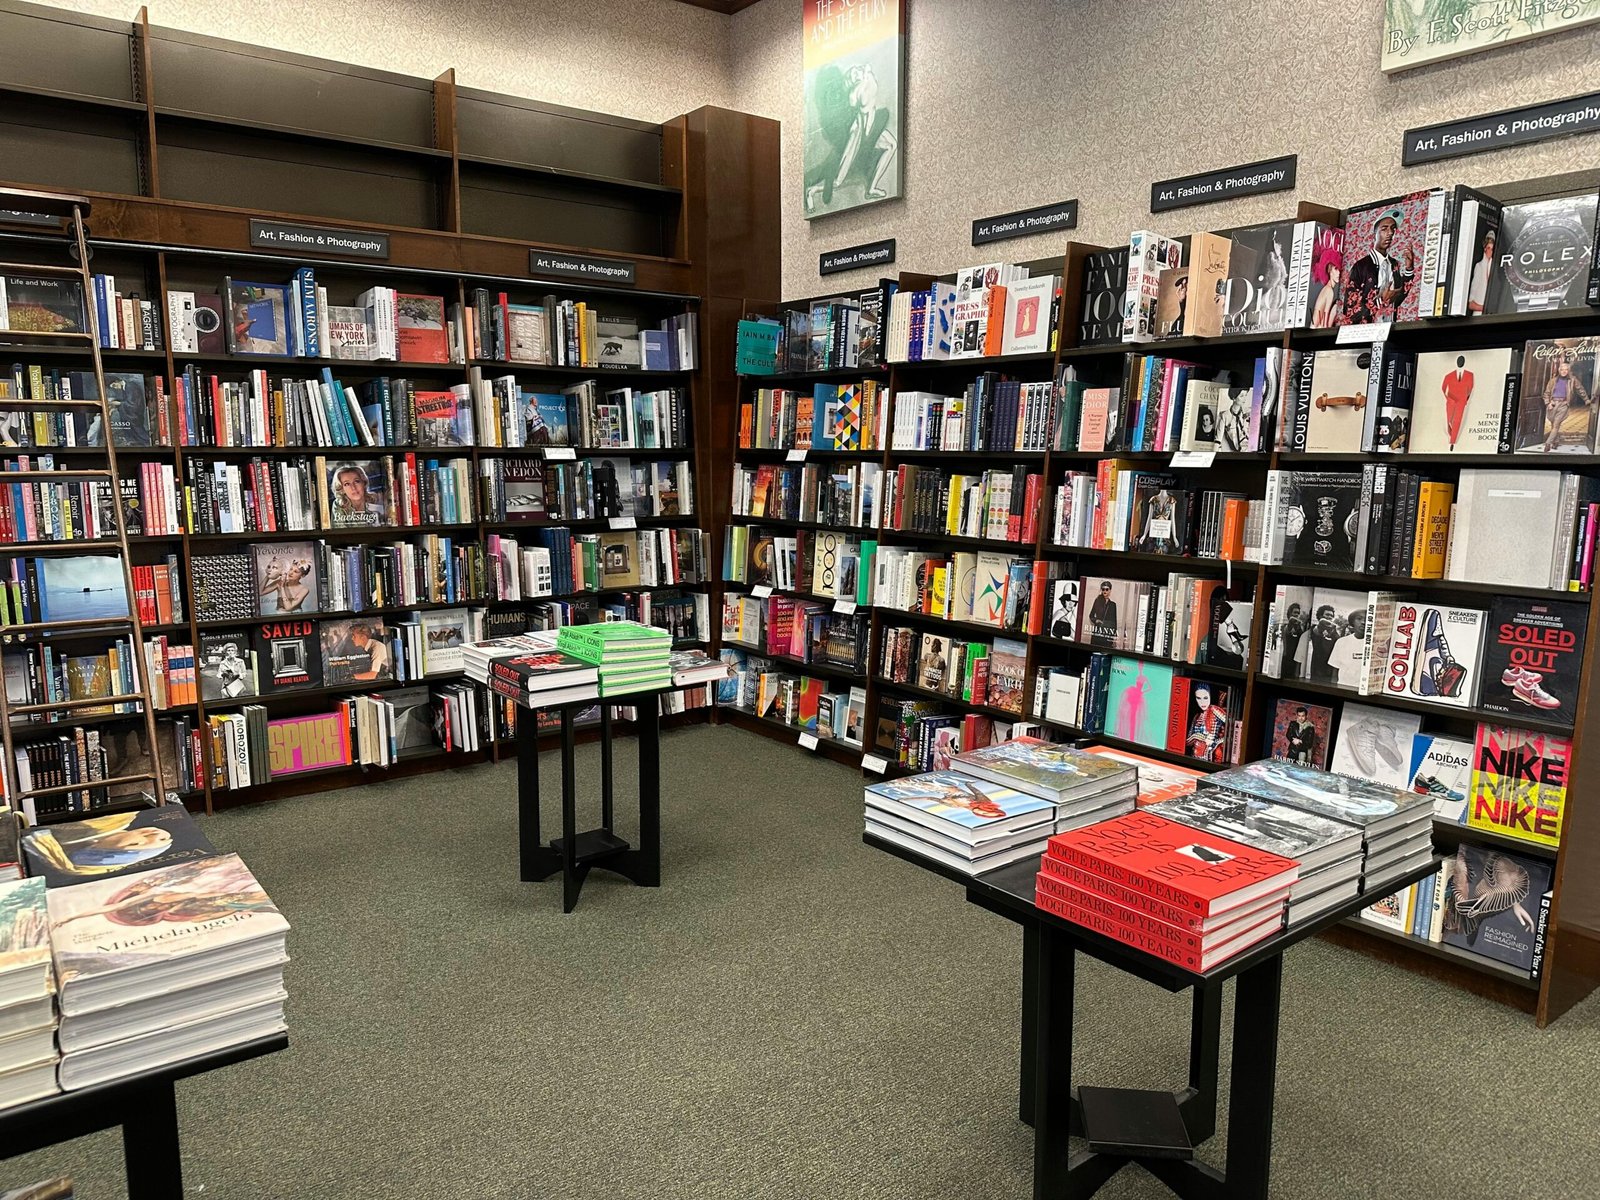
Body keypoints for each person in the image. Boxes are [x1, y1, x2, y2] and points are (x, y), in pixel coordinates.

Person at [1344, 207, 1413, 322]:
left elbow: (1399, 296)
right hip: (1366, 333)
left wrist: (1409, 269)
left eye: (1393, 229)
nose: (1390, 233)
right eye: (1384, 229)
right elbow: (1349, 310)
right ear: (1374, 234)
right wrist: (1380, 300)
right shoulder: (1361, 266)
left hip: (1389, 330)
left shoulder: (1394, 264)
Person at [1541, 353, 1590, 452]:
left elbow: (1580, 389)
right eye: (1562, 369)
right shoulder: (1553, 381)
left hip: (1564, 405)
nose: (1564, 371)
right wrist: (1548, 403)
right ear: (1559, 371)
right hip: (1553, 404)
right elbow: (1546, 393)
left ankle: (1548, 443)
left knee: (1556, 424)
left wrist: (1586, 399)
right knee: (1554, 424)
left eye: (1566, 370)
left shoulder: (1572, 380)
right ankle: (1556, 441)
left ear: (1568, 371)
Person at [1185, 684, 1229, 763]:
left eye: (1205, 698)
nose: (1202, 702)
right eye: (1198, 698)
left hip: (1210, 756)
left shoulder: (1214, 709)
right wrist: (1201, 737)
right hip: (1195, 756)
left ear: (1210, 696)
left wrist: (1216, 742)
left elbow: (1231, 725)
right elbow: (1187, 742)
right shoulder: (1196, 716)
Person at [1441, 356, 1474, 450]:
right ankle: (1451, 437)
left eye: (1461, 361)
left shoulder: (1470, 375)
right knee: (1449, 420)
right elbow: (1443, 388)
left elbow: (1470, 388)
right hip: (1451, 401)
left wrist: (1465, 399)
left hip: (1461, 401)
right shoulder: (1449, 375)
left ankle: (1452, 443)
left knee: (1457, 422)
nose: (1460, 363)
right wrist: (1448, 398)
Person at [1330, 608, 1367, 688]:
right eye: (1359, 619)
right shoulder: (1341, 642)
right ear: (1352, 622)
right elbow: (1335, 670)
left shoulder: (1376, 644)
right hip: (1343, 688)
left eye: (1367, 619)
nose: (1363, 622)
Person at [1306, 604, 1341, 683]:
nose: (1329, 617)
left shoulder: (1334, 631)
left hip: (1331, 668)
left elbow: (1339, 643)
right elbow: (1317, 631)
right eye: (1327, 614)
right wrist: (1322, 625)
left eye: (1331, 616)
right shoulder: (1315, 628)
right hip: (1318, 669)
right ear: (1320, 616)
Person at [1468, 228, 1495, 315]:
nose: (1490, 251)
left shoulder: (1495, 267)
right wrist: (1483, 307)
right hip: (1479, 311)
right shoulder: (1479, 266)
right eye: (1488, 248)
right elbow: (1471, 301)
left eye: (1492, 249)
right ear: (1485, 249)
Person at [1087, 581, 1119, 647]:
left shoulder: (1113, 604)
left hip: (1107, 633)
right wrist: (1096, 620)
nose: (1105, 591)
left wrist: (1114, 637)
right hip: (1097, 632)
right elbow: (1091, 615)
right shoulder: (1097, 601)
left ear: (1110, 590)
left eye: (1107, 589)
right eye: (1103, 589)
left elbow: (1114, 621)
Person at [1311, 260, 1341, 328]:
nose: (1339, 273)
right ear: (1330, 271)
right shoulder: (1329, 291)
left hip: (1316, 328)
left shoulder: (1326, 289)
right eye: (1336, 269)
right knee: (1336, 306)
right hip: (1318, 329)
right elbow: (1325, 317)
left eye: (1339, 270)